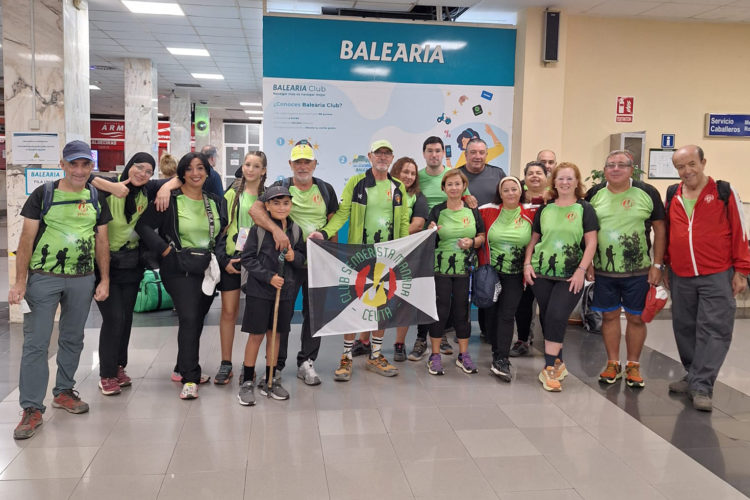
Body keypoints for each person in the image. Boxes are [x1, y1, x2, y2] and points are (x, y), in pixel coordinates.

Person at [10, 140, 112, 440]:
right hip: (44, 278)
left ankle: (64, 391)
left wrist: (104, 279)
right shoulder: (44, 194)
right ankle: (31, 408)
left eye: (85, 164)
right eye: (73, 164)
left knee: (73, 338)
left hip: (82, 278)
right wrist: (20, 281)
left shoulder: (95, 196)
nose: (79, 170)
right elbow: (26, 239)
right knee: (36, 343)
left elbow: (102, 240)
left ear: (91, 166)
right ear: (62, 165)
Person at [308, 139, 410, 381]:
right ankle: (346, 357)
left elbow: (404, 220)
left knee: (382, 306)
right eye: (378, 153)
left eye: (387, 153)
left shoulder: (398, 187)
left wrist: (404, 249)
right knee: (354, 307)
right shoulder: (357, 183)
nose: (382, 157)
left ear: (392, 158)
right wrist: (324, 233)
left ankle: (375, 355)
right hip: (359, 256)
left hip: (387, 257)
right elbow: (342, 213)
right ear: (370, 156)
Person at [664, 145, 750, 411]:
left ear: (703, 162)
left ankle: (702, 385)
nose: (686, 171)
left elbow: (740, 231)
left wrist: (742, 270)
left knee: (714, 328)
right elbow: (668, 231)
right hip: (681, 274)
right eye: (680, 166)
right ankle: (693, 373)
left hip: (717, 273)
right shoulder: (673, 193)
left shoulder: (723, 191)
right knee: (684, 327)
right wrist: (666, 265)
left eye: (691, 164)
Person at [135, 152, 227, 400]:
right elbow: (143, 226)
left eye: (200, 168)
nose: (195, 173)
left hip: (206, 270)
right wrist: (164, 250)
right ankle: (190, 377)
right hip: (178, 269)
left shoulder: (215, 201)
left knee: (196, 320)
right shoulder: (170, 199)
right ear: (182, 173)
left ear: (208, 172)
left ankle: (182, 366)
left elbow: (222, 233)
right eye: (189, 168)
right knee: (189, 317)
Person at [250, 141, 339, 386]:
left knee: (315, 314)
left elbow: (332, 224)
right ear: (290, 164)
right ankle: (276, 365)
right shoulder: (281, 188)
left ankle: (306, 362)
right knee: (282, 313)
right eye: (298, 162)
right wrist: (277, 232)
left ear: (314, 164)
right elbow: (255, 211)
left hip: (318, 261)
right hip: (287, 261)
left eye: (307, 162)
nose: (302, 166)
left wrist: (331, 257)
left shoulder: (326, 189)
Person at [586, 150, 666, 388]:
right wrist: (588, 263)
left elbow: (660, 230)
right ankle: (613, 363)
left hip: (639, 271)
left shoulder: (647, 192)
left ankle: (633, 365)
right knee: (609, 316)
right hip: (603, 271)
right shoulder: (594, 194)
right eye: (610, 164)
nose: (615, 169)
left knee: (636, 318)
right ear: (604, 170)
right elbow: (586, 231)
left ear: (632, 169)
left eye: (621, 165)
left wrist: (657, 264)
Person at [523, 162, 598, 392]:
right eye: (560, 178)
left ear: (577, 182)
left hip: (571, 274)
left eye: (569, 178)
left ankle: (549, 369)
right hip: (541, 273)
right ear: (553, 182)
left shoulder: (585, 209)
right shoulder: (545, 209)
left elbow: (591, 242)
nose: (565, 182)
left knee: (556, 315)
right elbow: (534, 240)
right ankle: (558, 362)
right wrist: (527, 264)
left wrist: (581, 270)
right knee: (548, 318)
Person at [238, 186, 306, 405]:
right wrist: (269, 277)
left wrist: (295, 256)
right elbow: (248, 259)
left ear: (291, 205)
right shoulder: (258, 230)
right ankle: (247, 381)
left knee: (275, 335)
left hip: (284, 293)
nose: (281, 207)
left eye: (286, 203)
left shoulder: (296, 230)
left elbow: (302, 258)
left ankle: (271, 379)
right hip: (259, 292)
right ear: (266, 206)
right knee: (256, 336)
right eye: (276, 203)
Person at [408, 136, 474, 361]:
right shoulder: (418, 177)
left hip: (447, 242)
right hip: (423, 238)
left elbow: (464, 198)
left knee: (444, 297)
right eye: (430, 150)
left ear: (443, 153)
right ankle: (420, 338)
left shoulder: (453, 175)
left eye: (438, 150)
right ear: (424, 153)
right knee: (424, 292)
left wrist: (470, 199)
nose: (434, 154)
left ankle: (441, 336)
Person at [213, 152, 266, 385]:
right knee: (228, 311)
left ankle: (249, 365)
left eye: (256, 166)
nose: (250, 169)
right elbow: (220, 230)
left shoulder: (268, 196)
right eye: (247, 165)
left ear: (263, 170)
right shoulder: (231, 194)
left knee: (255, 316)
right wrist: (224, 260)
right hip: (233, 260)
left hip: (258, 262)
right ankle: (226, 363)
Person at [426, 169, 485, 375]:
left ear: (464, 186)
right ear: (443, 188)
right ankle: (434, 356)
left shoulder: (472, 209)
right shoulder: (437, 210)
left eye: (457, 184)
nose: (453, 188)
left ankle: (463, 355)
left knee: (462, 311)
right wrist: (430, 231)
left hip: (465, 268)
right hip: (441, 268)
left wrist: (472, 242)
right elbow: (429, 240)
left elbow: (482, 236)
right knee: (441, 310)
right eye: (449, 184)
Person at [479, 176, 533, 382]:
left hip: (516, 274)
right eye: (506, 190)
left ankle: (502, 359)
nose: (510, 193)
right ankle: (496, 352)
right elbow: (466, 214)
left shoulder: (531, 213)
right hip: (491, 273)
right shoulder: (487, 211)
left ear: (521, 192)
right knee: (492, 314)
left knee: (507, 314)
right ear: (500, 194)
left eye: (514, 189)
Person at [390, 157, 429, 361]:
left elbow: (418, 224)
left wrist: (393, 238)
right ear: (396, 171)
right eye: (405, 172)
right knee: (372, 295)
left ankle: (399, 344)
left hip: (405, 254)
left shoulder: (418, 197)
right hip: (380, 252)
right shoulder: (384, 190)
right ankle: (364, 342)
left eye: (413, 173)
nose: (409, 176)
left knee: (402, 300)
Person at [510, 161, 547, 357]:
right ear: (524, 178)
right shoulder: (517, 200)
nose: (534, 176)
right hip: (521, 259)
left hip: (547, 259)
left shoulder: (554, 200)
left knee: (547, 305)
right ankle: (522, 340)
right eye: (530, 173)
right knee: (523, 303)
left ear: (546, 177)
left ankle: (551, 343)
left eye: (539, 173)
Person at [457, 137, 507, 206]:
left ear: (486, 155)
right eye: (473, 152)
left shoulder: (498, 173)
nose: (477, 156)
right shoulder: (455, 175)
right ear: (466, 155)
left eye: (481, 153)